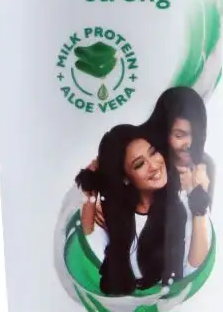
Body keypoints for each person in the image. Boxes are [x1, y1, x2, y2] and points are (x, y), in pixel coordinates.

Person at [75, 124, 189, 296]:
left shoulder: (180, 209)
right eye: (140, 164)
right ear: (125, 178)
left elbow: (187, 271)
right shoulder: (115, 217)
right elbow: (89, 238)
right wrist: (91, 191)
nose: (154, 165)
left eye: (153, 152)